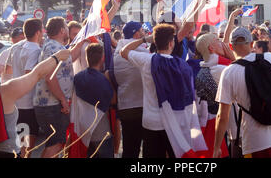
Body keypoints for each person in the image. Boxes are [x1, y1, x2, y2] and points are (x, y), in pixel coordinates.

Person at [120, 24, 207, 158]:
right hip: (175, 122)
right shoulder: (183, 65)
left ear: (155, 41)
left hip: (151, 122)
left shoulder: (146, 60)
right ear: (171, 43)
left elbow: (123, 51)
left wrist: (144, 40)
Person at [213, 27, 271, 158]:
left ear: (231, 47)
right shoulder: (270, 58)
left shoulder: (228, 73)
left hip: (255, 140)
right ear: (251, 44)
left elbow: (222, 116)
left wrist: (216, 147)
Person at [33, 17, 85, 158]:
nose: (68, 30)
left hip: (50, 104)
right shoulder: (53, 48)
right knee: (56, 144)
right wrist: (62, 99)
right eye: (66, 28)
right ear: (62, 30)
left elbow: (70, 57)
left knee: (54, 143)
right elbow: (50, 77)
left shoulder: (53, 46)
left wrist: (83, 40)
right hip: (53, 105)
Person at [6, 18, 44, 157]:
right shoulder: (35, 50)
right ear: (38, 32)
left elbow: (7, 70)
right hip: (28, 102)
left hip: (16, 100)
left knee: (21, 144)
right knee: (27, 146)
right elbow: (29, 75)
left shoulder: (16, 47)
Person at [70, 43, 115, 158]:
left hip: (84, 131)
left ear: (86, 58)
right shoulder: (104, 80)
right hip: (102, 132)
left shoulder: (77, 77)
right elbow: (113, 101)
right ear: (102, 58)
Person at [113, 21, 148, 158]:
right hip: (141, 105)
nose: (144, 33)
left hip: (125, 106)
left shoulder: (117, 51)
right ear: (137, 34)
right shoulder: (141, 52)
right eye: (142, 31)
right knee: (147, 147)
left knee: (129, 148)